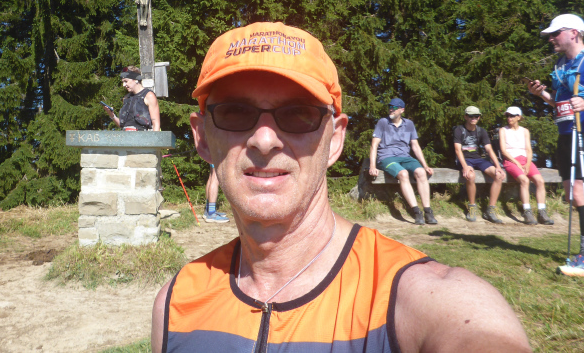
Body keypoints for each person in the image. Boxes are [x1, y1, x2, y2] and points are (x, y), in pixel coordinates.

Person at [152, 22, 530, 352]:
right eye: (235, 112)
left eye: (298, 113)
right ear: (202, 137)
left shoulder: (422, 297)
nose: (264, 141)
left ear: (335, 141)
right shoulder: (175, 303)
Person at [528, 13, 584, 268]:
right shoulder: (560, 65)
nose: (551, 38)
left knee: (579, 191)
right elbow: (559, 103)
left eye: (555, 33)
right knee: (572, 193)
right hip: (566, 134)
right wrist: (542, 95)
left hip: (582, 132)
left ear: (574, 32)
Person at [368, 98, 437, 225]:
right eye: (390, 107)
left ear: (402, 110)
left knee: (421, 172)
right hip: (386, 157)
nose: (391, 109)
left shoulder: (409, 124)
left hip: (405, 157)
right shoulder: (383, 122)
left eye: (394, 107)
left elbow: (415, 146)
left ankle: (428, 211)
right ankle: (417, 212)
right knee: (403, 174)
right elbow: (374, 145)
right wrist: (372, 166)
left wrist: (425, 165)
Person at [498, 106, 553, 226]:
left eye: (512, 115)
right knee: (524, 180)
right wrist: (517, 163)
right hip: (510, 160)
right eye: (507, 115)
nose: (509, 118)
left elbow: (528, 149)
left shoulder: (525, 131)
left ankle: (542, 212)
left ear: (519, 117)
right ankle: (527, 212)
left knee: (540, 181)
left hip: (525, 160)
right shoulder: (503, 130)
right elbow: (503, 151)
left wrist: (527, 164)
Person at [454, 105, 507, 223]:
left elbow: (489, 149)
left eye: (476, 116)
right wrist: (465, 166)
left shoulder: (481, 131)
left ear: (479, 117)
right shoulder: (459, 130)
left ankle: (491, 209)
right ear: (465, 117)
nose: (474, 118)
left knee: (498, 175)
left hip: (478, 159)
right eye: (471, 116)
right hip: (464, 159)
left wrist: (498, 166)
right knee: (470, 176)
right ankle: (472, 207)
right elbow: (458, 150)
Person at [103, 66, 161, 131]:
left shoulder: (148, 96)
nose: (124, 85)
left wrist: (155, 137)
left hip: (142, 135)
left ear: (136, 80)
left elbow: (156, 124)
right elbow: (122, 125)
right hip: (125, 135)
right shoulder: (126, 98)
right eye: (123, 82)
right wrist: (112, 115)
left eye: (126, 81)